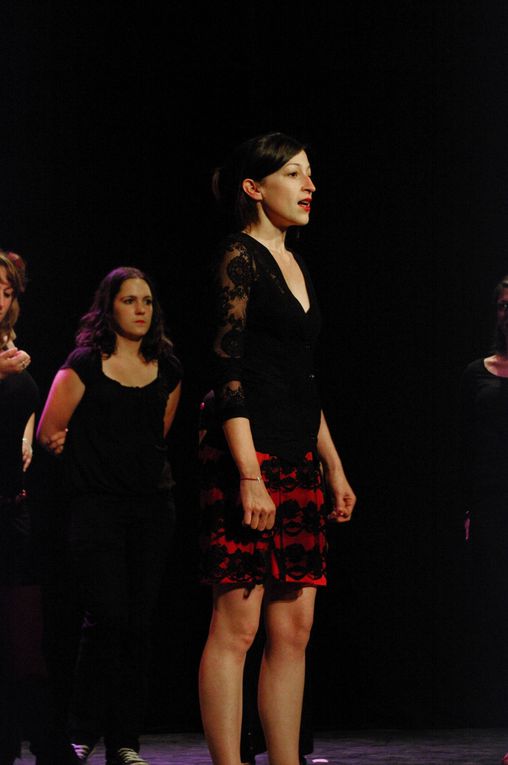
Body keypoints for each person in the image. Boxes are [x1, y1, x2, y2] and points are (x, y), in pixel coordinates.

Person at [198, 132, 356, 765]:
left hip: (298, 455)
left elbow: (301, 378)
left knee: (293, 629)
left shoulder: (297, 263)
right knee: (238, 626)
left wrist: (333, 465)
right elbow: (228, 371)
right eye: (295, 174)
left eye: (310, 174)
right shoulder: (238, 256)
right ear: (254, 188)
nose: (309, 185)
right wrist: (248, 475)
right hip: (248, 455)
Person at [37, 266, 182, 765]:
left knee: (138, 625)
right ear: (109, 307)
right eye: (129, 301)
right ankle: (80, 732)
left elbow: (158, 437)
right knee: (107, 619)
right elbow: (50, 434)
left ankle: (125, 741)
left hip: (151, 512)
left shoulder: (167, 368)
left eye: (146, 300)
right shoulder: (84, 363)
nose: (140, 309)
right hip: (96, 510)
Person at [0, 250, 79, 765]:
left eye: (7, 290)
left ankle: (42, 738)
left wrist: (28, 433)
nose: (1, 298)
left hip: (13, 508)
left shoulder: (11, 347)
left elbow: (20, 405)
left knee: (25, 634)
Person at [460, 274, 508, 762]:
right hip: (494, 509)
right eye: (503, 305)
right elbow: (466, 451)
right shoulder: (477, 372)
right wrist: (469, 510)